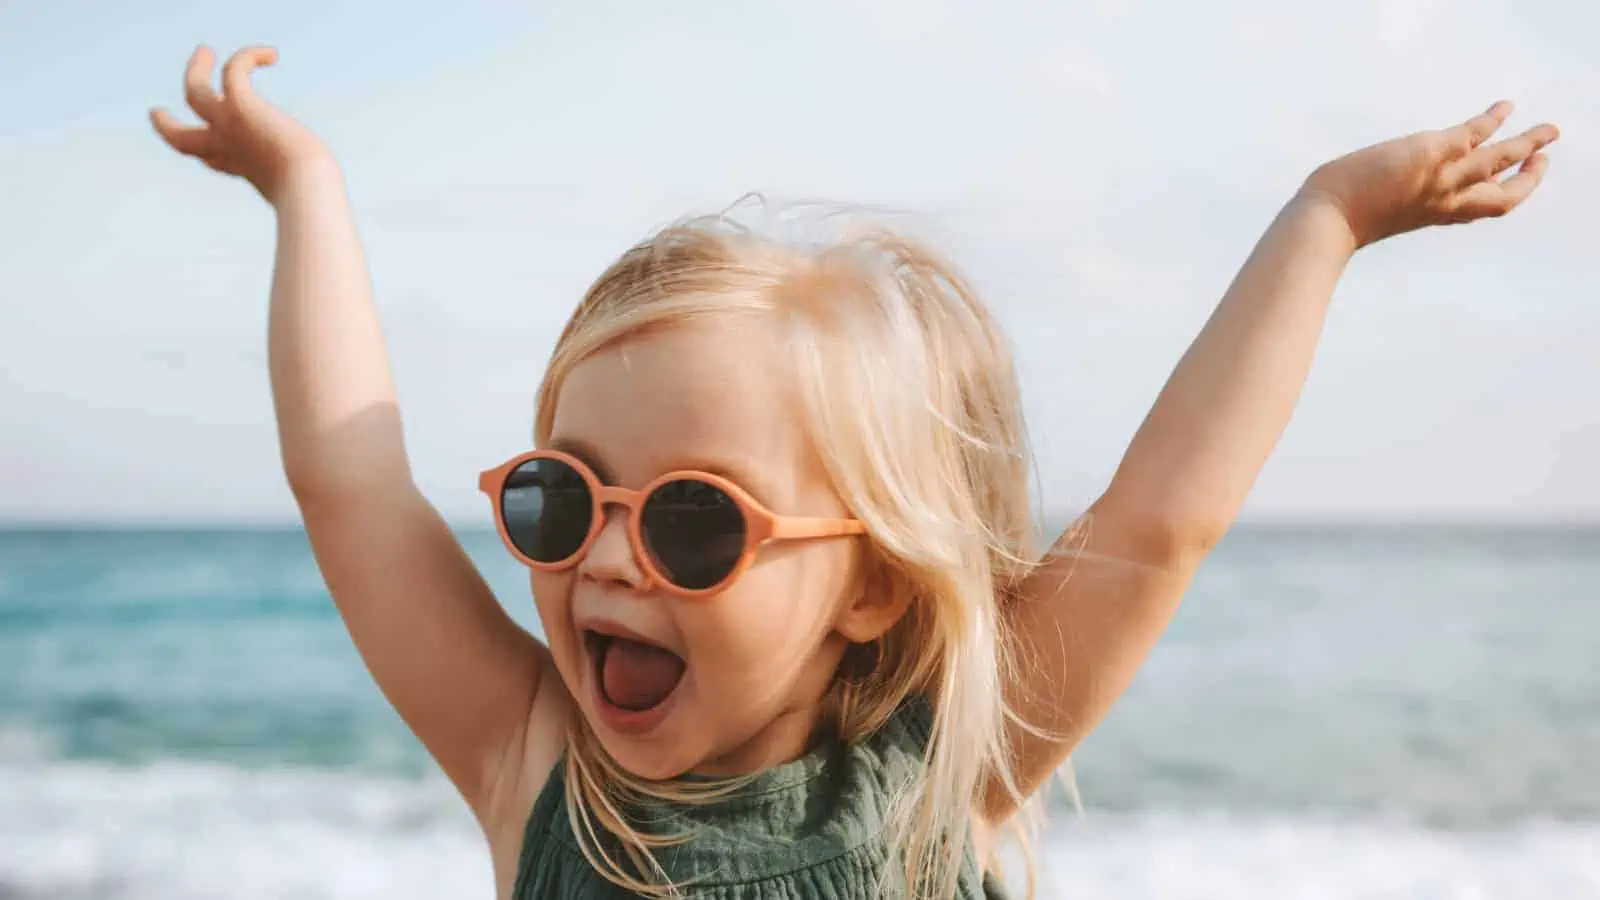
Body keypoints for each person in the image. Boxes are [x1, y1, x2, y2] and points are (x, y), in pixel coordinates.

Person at [151, 44, 1558, 900]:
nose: (607, 560)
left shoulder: (939, 778)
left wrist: (1328, 220)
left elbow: (1159, 522)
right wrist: (308, 191)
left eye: (698, 522)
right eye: (562, 499)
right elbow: (351, 485)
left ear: (874, 584)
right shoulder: (539, 777)